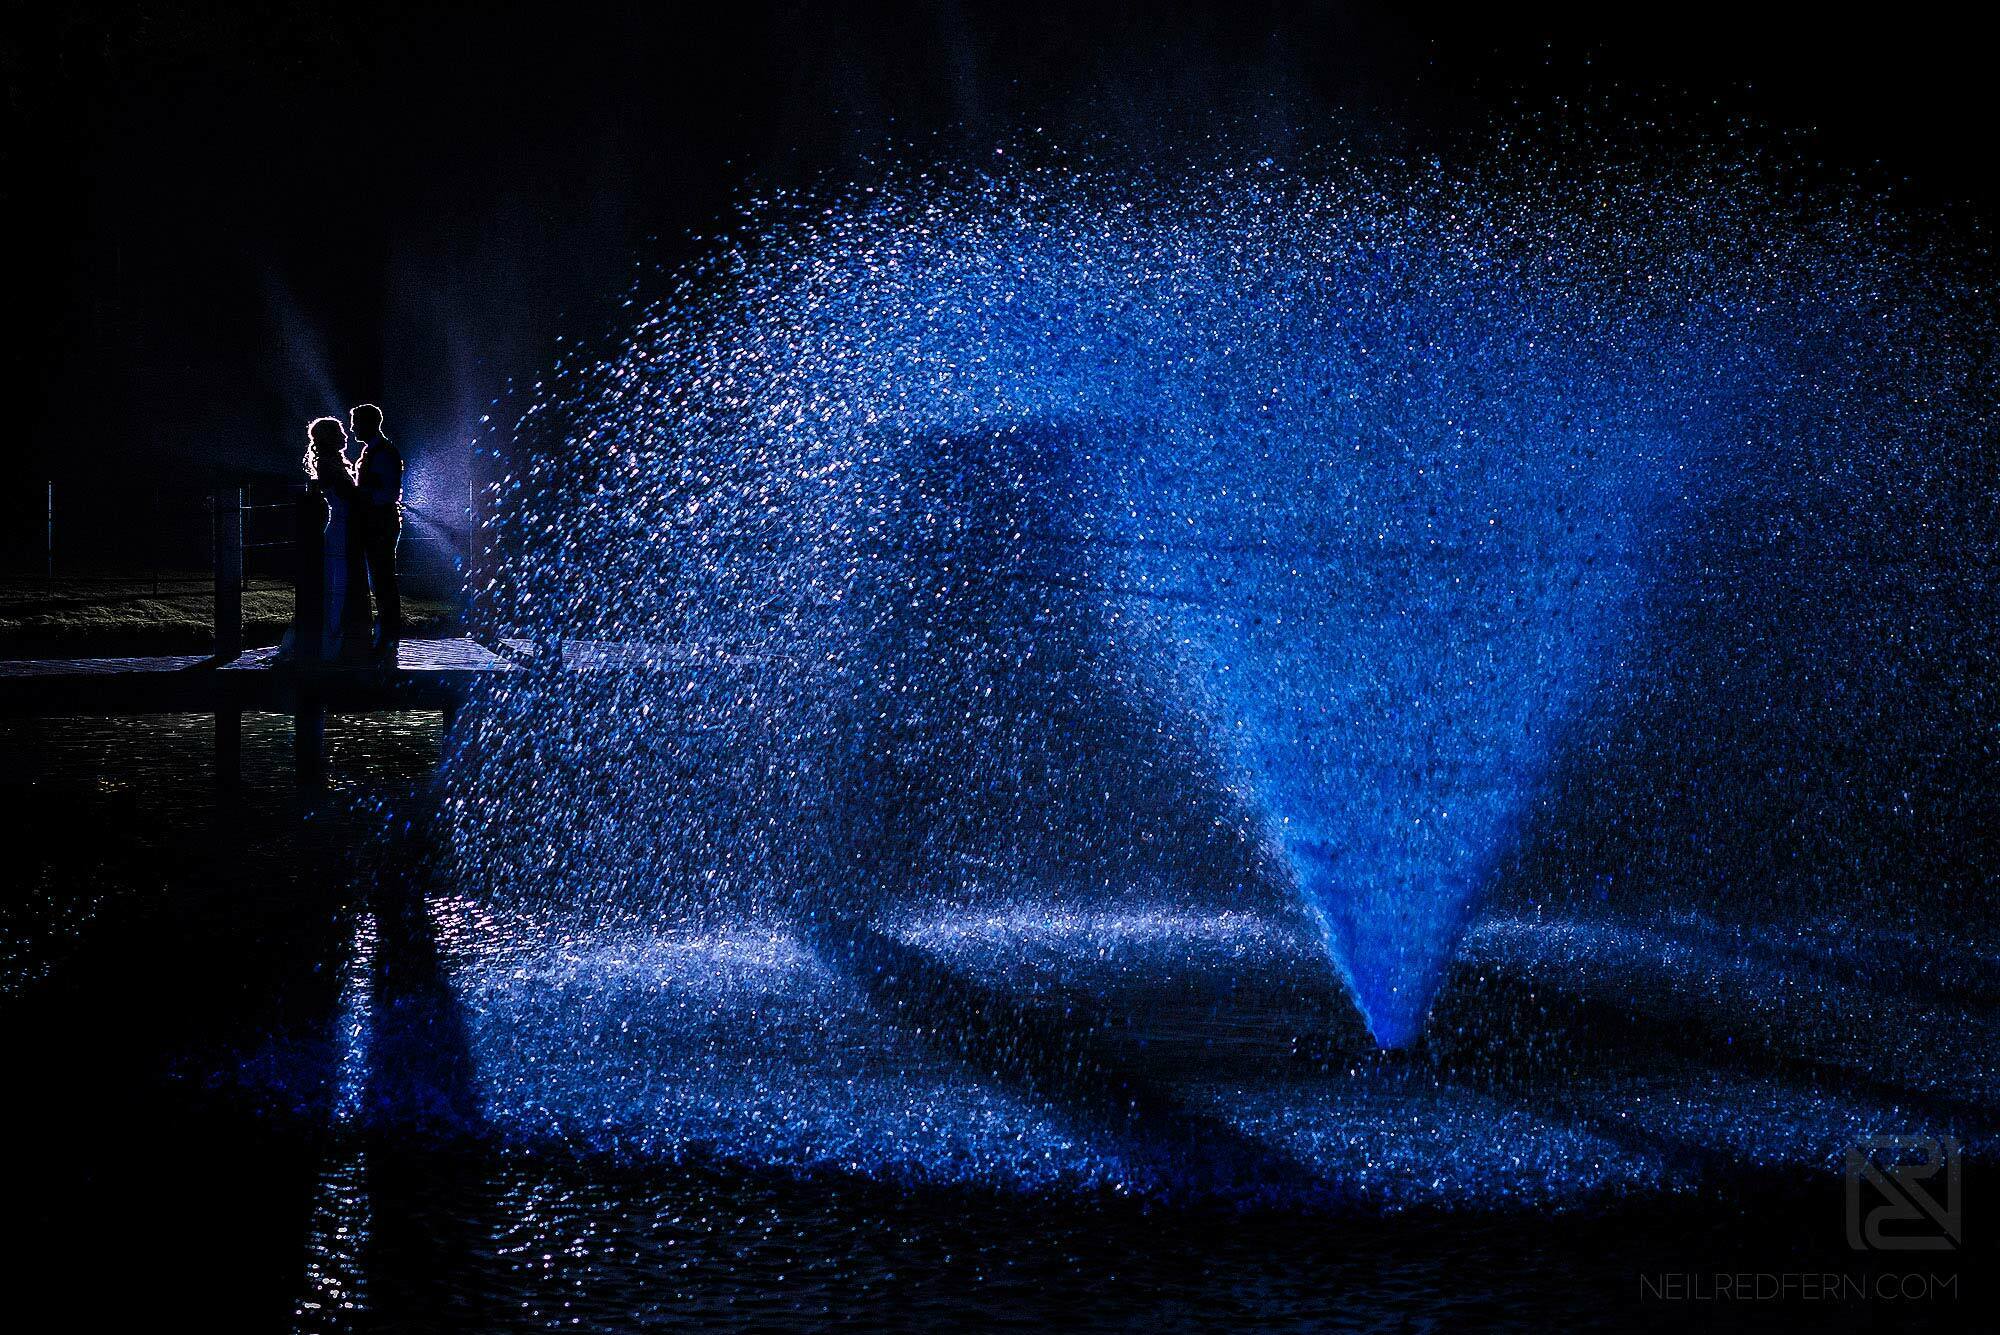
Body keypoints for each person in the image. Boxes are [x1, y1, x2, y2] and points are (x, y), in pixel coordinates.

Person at [301, 416, 373, 661]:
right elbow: (349, 495)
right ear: (331, 437)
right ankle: (332, 642)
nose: (345, 436)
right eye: (340, 432)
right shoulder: (328, 464)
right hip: (340, 527)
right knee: (337, 586)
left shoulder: (332, 462)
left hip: (344, 525)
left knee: (342, 583)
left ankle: (339, 640)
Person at [351, 403, 404, 658]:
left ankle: (389, 633)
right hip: (376, 521)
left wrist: (363, 496)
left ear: (369, 424)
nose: (352, 428)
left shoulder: (383, 453)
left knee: (383, 577)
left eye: (356, 423)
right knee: (381, 577)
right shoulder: (375, 451)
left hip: (380, 522)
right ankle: (386, 631)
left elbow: (388, 493)